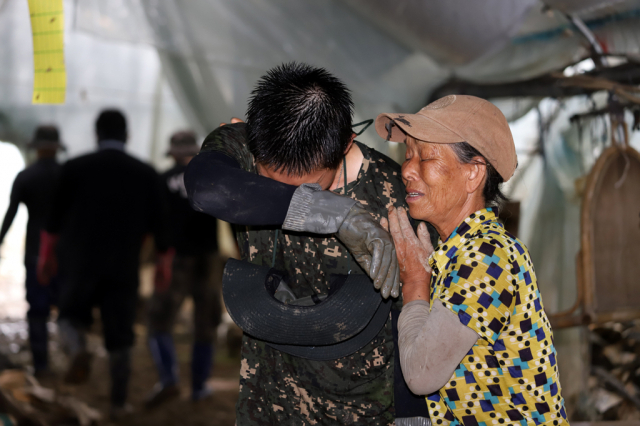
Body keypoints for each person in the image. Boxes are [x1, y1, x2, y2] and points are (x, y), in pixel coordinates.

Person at [185, 63, 409, 424]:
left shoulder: (394, 198)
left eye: (310, 187)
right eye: (272, 182)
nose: (291, 198)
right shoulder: (243, 151)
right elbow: (206, 188)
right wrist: (331, 211)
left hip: (360, 409)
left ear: (346, 144)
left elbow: (413, 318)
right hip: (266, 399)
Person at [376, 95, 568, 426]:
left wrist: (415, 282)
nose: (406, 170)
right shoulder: (458, 249)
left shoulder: (485, 255)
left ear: (473, 174)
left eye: (426, 158)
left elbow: (422, 374)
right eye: (408, 156)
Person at [38, 109, 173, 419]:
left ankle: (78, 349)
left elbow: (53, 222)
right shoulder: (146, 173)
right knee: (121, 337)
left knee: (69, 318)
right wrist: (163, 266)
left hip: (79, 263)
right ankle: (118, 403)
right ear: (127, 136)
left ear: (96, 135)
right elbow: (162, 230)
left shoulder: (73, 168)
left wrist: (47, 258)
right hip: (123, 267)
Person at [145, 131, 222, 406]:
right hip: (208, 258)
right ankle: (199, 387)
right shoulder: (212, 178)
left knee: (159, 322)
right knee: (206, 325)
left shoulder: (163, 180)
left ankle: (169, 380)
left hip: (174, 258)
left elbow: (152, 220)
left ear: (173, 153)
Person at [0, 125, 64, 377]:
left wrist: (0, 240)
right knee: (66, 306)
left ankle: (41, 365)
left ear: (36, 147)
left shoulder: (26, 176)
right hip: (63, 252)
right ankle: (73, 356)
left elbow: (11, 212)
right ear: (57, 147)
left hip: (36, 251)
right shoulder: (66, 176)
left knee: (37, 309)